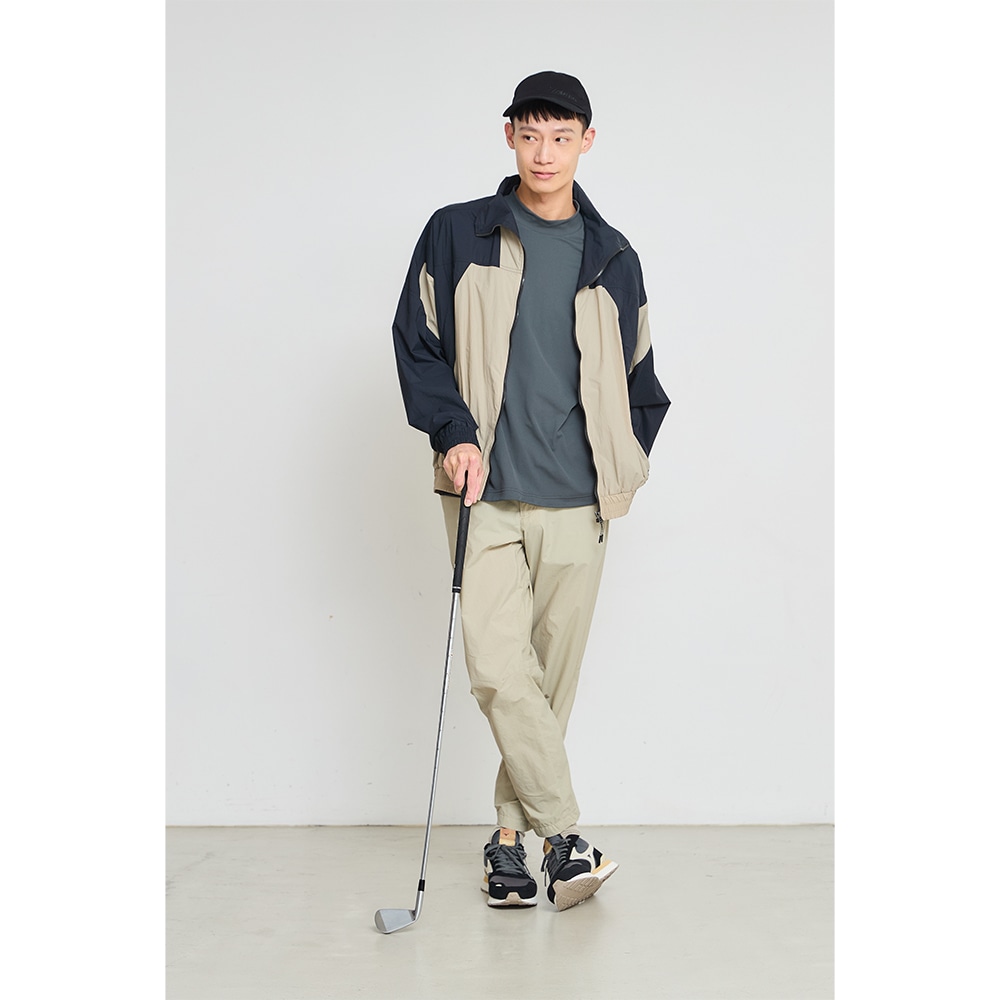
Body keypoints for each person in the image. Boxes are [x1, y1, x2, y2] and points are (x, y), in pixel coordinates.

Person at [392, 71, 670, 911]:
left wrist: (622, 461)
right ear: (508, 135)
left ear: (587, 142)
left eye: (561, 136)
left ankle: (509, 846)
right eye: (530, 134)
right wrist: (454, 434)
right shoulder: (458, 232)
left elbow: (642, 379)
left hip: (578, 504)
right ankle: (565, 838)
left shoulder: (612, 255)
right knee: (498, 670)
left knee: (548, 688)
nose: (544, 152)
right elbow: (417, 341)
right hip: (483, 495)